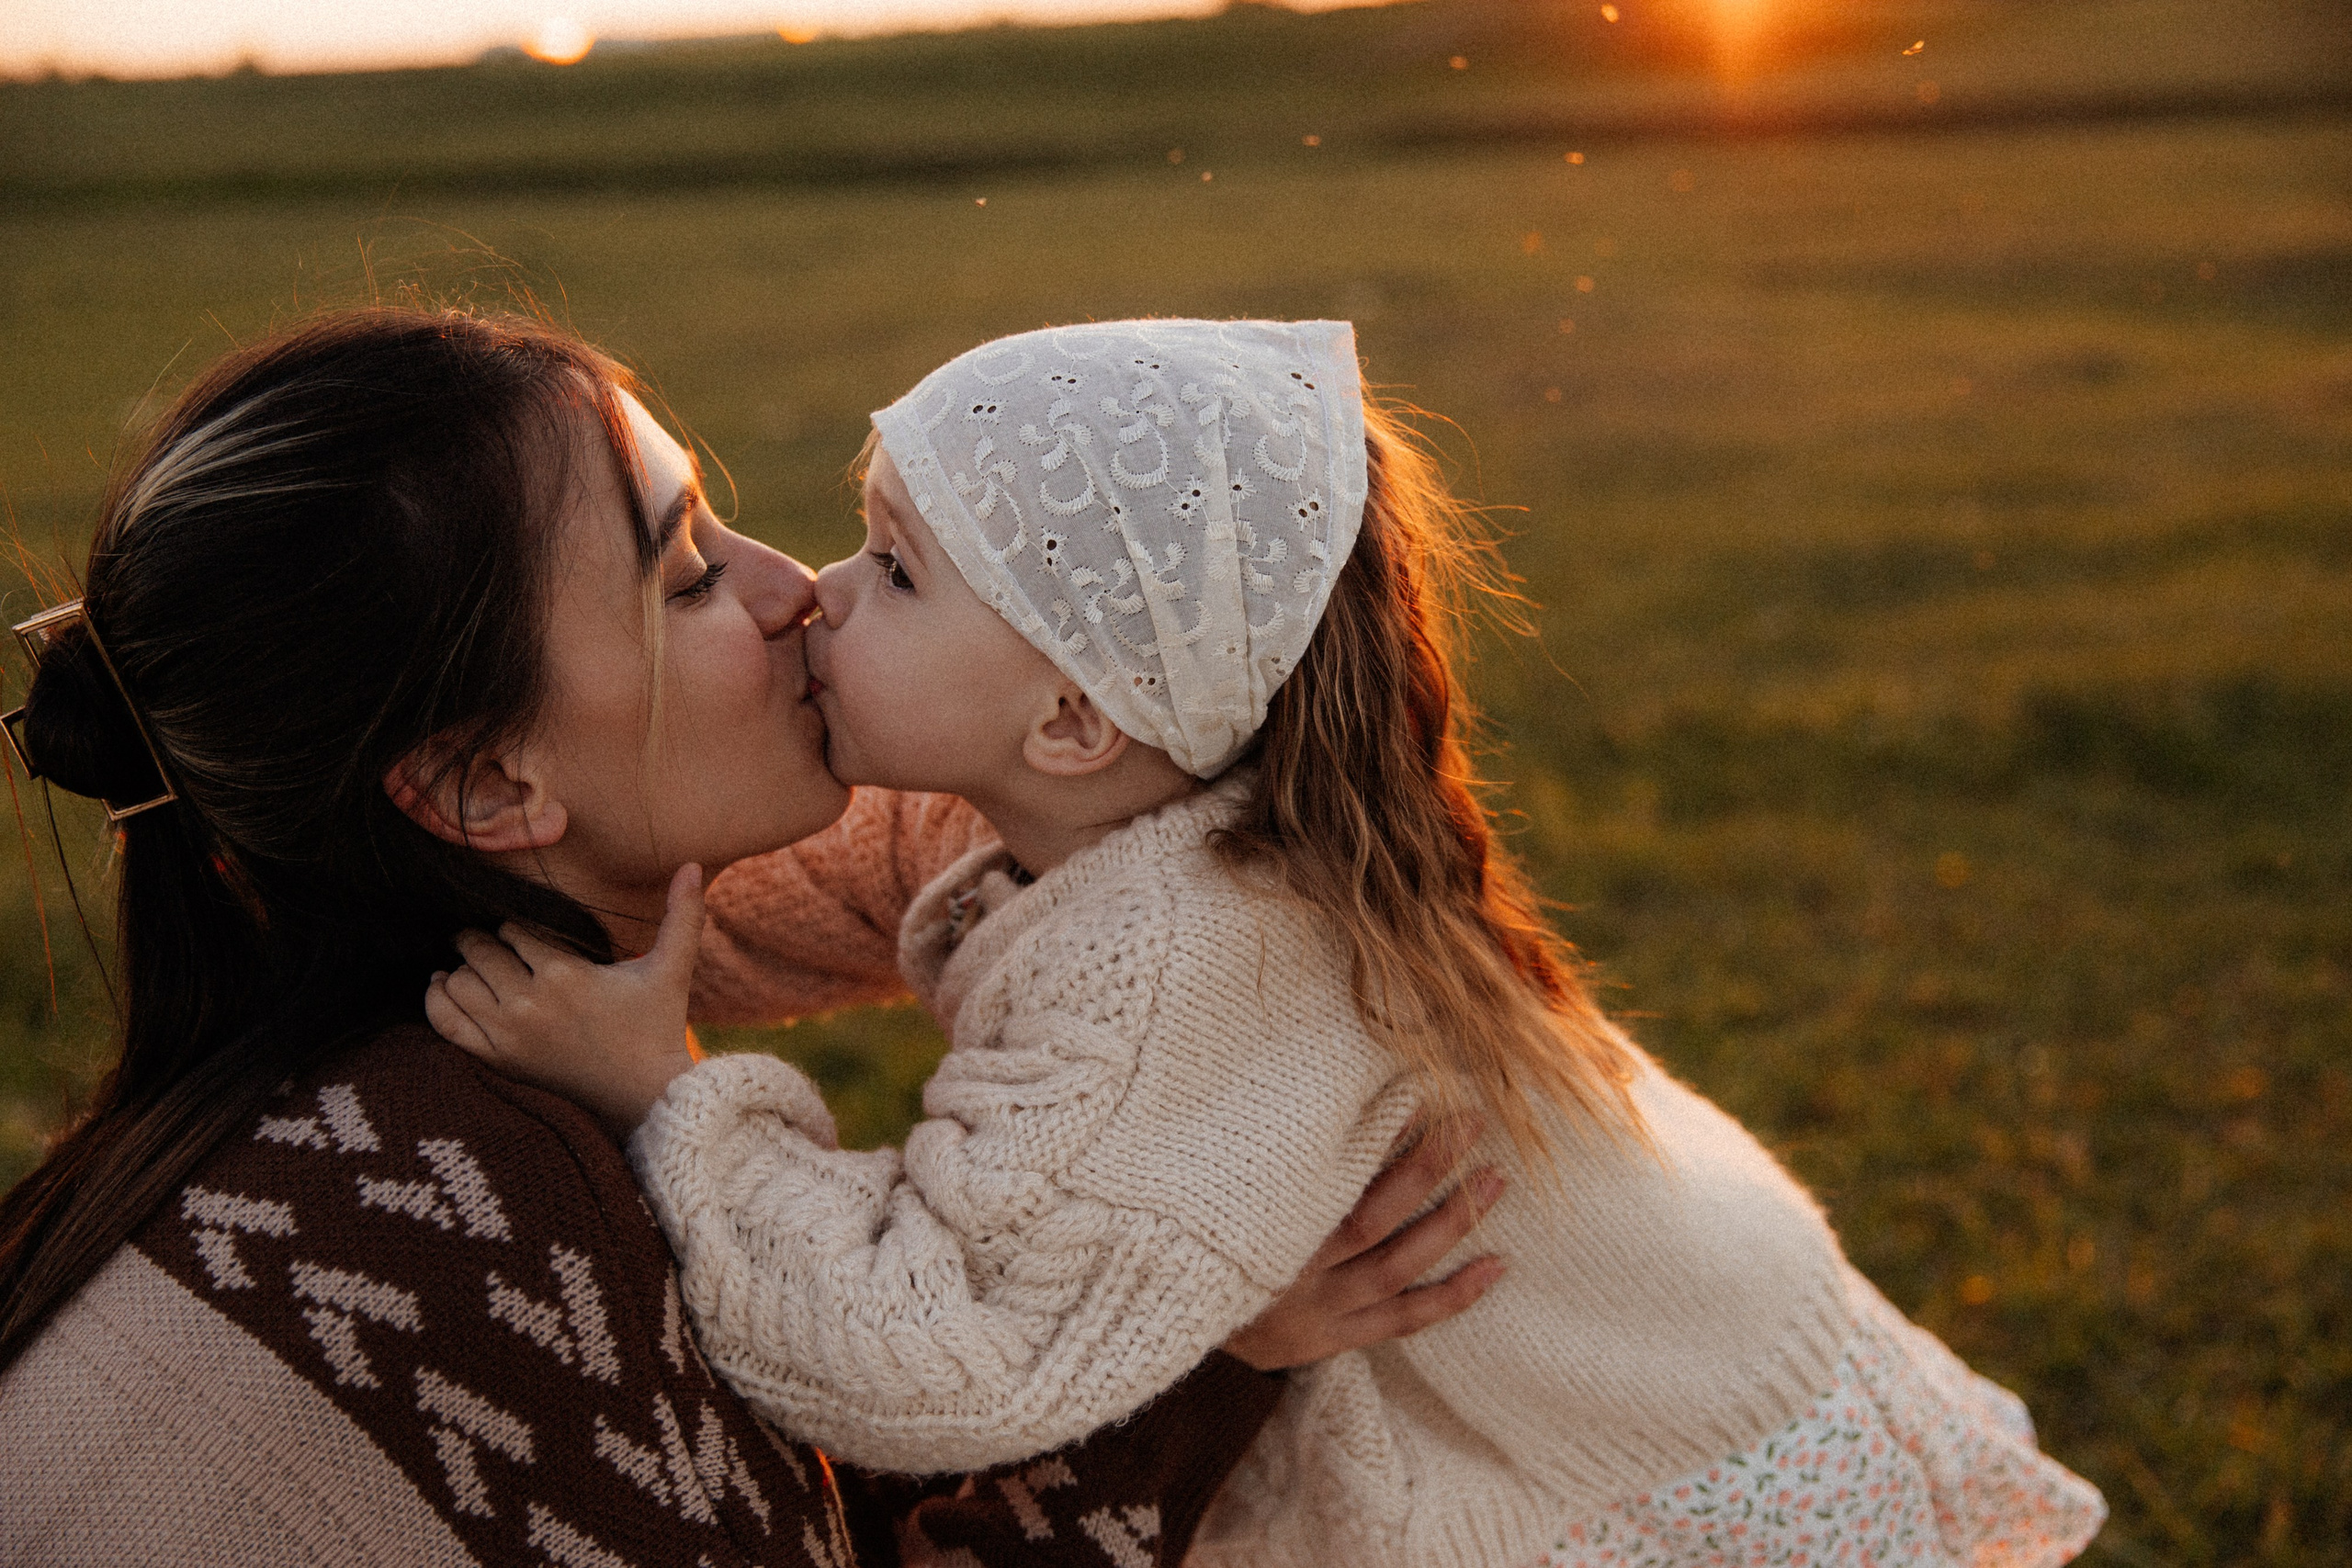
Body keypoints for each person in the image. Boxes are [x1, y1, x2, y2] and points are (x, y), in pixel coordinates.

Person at [433, 318, 2110, 1568]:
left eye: (895, 568)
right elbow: (776, 910)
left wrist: (664, 1094)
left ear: (1077, 717)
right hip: (1719, 1359)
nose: (811, 591)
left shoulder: (1189, 959)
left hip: (1648, 1479)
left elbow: (937, 1347)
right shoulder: (1077, 818)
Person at [0, 307, 1504, 1567]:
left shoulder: (393, 1045)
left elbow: (782, 1480)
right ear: (484, 784)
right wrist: (1205, 1351)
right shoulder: (493, 1205)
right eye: (688, 576)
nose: (794, 595)